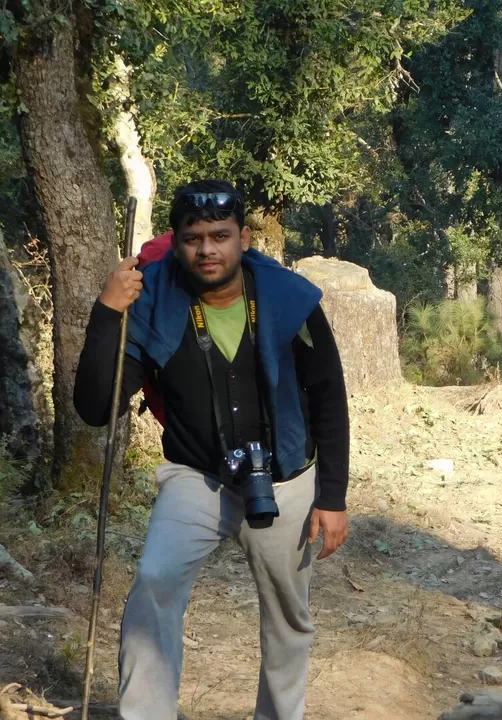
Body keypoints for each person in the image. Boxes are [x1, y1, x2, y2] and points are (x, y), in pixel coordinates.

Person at [74, 180, 350, 720]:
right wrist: (107, 311)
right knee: (153, 582)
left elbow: (329, 398)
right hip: (195, 476)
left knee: (287, 618)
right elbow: (94, 406)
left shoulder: (291, 301)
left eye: (220, 236)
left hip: (287, 477)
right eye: (194, 238)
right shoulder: (153, 300)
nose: (208, 250)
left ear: (244, 238)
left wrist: (332, 496)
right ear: (175, 243)